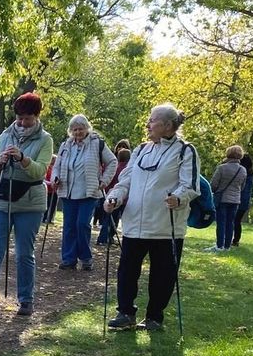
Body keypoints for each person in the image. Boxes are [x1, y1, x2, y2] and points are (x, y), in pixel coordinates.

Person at [104, 103, 199, 331]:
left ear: (167, 125)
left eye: (152, 120)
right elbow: (125, 180)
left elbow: (191, 185)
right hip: (134, 223)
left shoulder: (185, 151)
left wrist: (178, 197)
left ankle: (154, 316)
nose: (147, 124)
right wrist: (114, 197)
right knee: (127, 271)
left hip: (166, 225)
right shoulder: (141, 149)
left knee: (163, 274)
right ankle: (125, 313)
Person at [0, 93, 55, 317]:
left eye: (26, 118)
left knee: (24, 253)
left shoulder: (45, 139)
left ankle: (26, 300)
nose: (21, 122)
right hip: (0, 199)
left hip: (30, 203)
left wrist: (22, 158)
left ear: (36, 116)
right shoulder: (5, 135)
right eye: (18, 118)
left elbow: (40, 170)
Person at [52, 114, 116, 271]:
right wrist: (55, 178)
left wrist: (105, 181)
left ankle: (86, 258)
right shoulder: (65, 145)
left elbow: (112, 161)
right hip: (68, 192)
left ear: (87, 129)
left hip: (89, 192)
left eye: (80, 129)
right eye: (74, 129)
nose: (77, 132)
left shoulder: (97, 144)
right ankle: (69, 259)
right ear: (70, 131)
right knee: (69, 226)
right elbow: (56, 166)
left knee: (82, 225)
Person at [208, 145, 248, 251]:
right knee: (230, 223)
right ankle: (227, 246)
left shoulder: (222, 168)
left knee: (221, 222)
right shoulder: (243, 170)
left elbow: (213, 185)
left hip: (222, 199)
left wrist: (216, 190)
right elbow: (242, 186)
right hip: (235, 200)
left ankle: (219, 245)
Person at [96, 147, 130, 245]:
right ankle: (106, 238)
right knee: (113, 220)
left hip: (110, 196)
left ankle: (105, 238)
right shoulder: (126, 169)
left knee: (109, 219)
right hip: (121, 199)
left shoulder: (115, 167)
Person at [233, 152, 253, 246]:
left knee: (233, 220)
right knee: (237, 221)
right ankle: (236, 240)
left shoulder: (242, 173)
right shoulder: (251, 174)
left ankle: (232, 239)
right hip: (245, 202)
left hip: (237, 199)